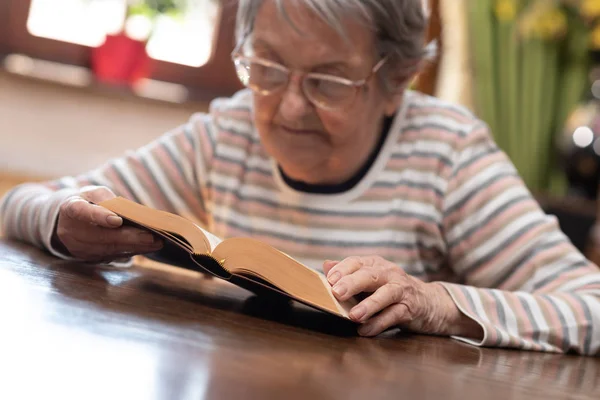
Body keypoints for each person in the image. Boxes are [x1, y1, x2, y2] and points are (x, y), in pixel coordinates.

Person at [1, 0, 599, 356]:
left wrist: (437, 305)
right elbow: (24, 202)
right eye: (266, 68)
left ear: (399, 80)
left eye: (329, 82)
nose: (288, 109)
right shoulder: (230, 133)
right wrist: (63, 223)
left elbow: (591, 308)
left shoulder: (445, 154)